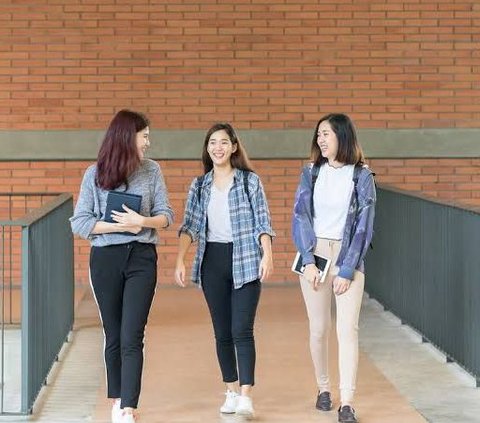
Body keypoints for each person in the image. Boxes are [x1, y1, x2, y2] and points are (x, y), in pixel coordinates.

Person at [70, 109, 173, 423]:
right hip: (105, 260)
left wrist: (141, 222)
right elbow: (80, 222)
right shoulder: (95, 174)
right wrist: (117, 226)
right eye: (144, 136)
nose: (148, 142)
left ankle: (129, 406)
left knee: (132, 334)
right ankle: (116, 400)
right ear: (128, 137)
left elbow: (166, 216)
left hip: (142, 258)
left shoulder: (152, 171)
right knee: (113, 333)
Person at [174, 122, 275, 419]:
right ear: (207, 149)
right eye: (212, 143)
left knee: (241, 330)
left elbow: (263, 223)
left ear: (233, 147)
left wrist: (267, 255)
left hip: (244, 258)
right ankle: (230, 390)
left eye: (223, 142)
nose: (217, 148)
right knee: (222, 333)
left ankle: (246, 395)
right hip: (212, 261)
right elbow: (189, 226)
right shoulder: (199, 185)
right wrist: (180, 259)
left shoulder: (249, 182)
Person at [292, 113, 376, 423]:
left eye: (326, 134)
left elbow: (364, 226)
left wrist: (346, 269)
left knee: (347, 329)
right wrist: (309, 261)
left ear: (342, 135)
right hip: (314, 254)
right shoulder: (311, 173)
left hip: (348, 256)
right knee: (318, 328)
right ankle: (323, 389)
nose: (321, 140)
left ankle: (348, 402)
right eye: (319, 135)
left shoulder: (361, 176)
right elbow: (300, 215)